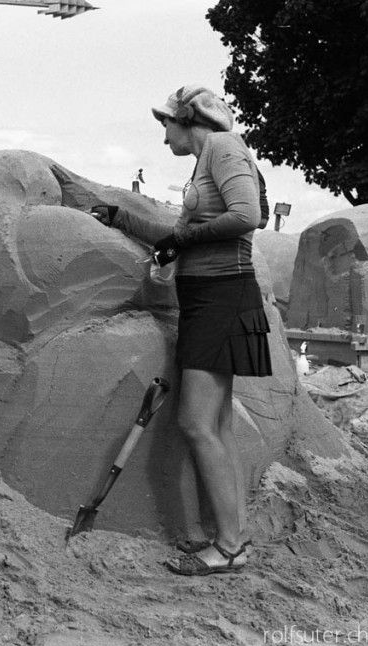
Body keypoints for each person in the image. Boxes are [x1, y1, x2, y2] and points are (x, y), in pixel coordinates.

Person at [90, 84, 271, 576]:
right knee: (217, 427)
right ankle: (235, 540)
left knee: (195, 423)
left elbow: (247, 216)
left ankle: (229, 546)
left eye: (165, 122)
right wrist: (120, 218)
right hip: (210, 297)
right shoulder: (207, 159)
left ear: (187, 120)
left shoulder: (224, 147)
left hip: (222, 296)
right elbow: (180, 236)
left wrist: (182, 239)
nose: (163, 133)